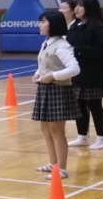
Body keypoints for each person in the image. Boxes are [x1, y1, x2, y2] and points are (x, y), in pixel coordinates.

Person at [31, 12, 81, 180]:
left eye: (43, 22)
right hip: (45, 89)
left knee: (57, 131)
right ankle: (53, 164)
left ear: (52, 24)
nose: (40, 25)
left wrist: (53, 76)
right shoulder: (46, 43)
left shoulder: (62, 45)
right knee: (45, 128)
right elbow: (44, 64)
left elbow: (74, 68)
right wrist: (38, 74)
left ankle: (62, 169)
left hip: (58, 90)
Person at [67, 0, 103, 151]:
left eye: (81, 5)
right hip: (77, 73)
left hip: (94, 74)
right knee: (79, 105)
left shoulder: (99, 28)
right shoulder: (75, 26)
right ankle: (82, 136)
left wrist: (80, 50)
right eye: (76, 5)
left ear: (90, 8)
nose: (77, 8)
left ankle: (101, 139)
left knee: (95, 106)